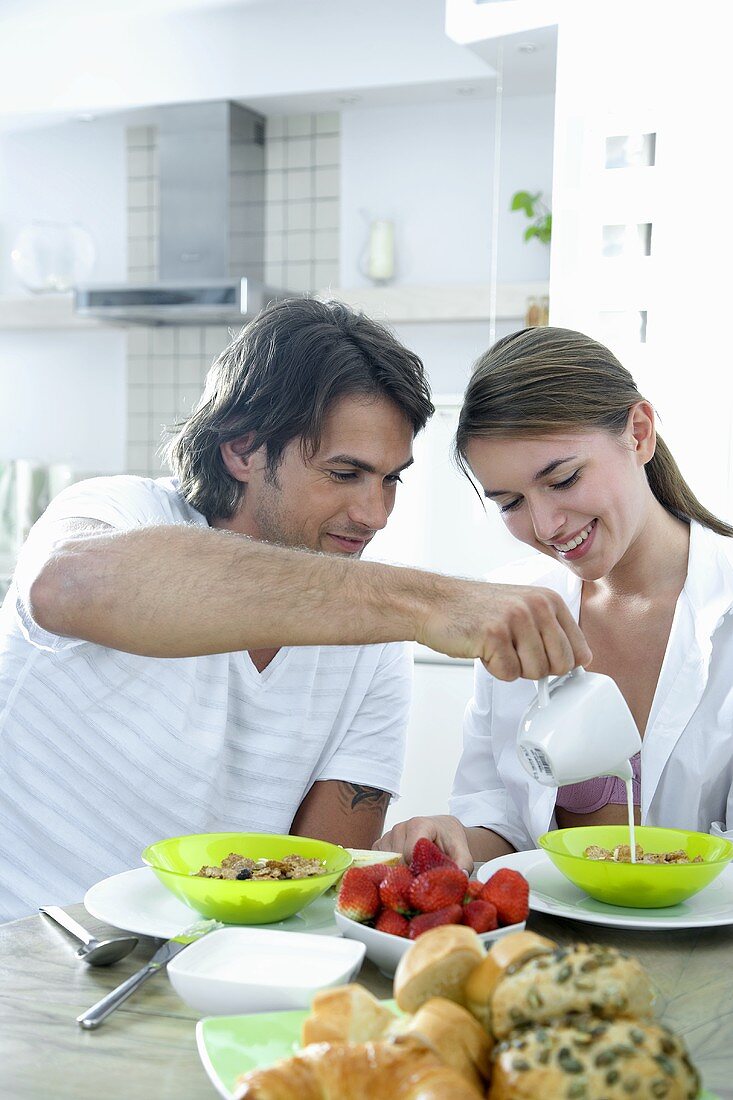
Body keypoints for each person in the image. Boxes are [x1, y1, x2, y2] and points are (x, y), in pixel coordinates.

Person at [0, 300, 589, 920]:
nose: (375, 514)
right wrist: (435, 599)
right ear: (242, 450)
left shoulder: (373, 636)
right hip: (27, 954)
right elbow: (65, 588)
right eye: (344, 474)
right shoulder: (119, 513)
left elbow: (316, 875)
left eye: (391, 479)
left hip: (201, 967)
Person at [377, 325, 733, 872]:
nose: (545, 525)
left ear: (638, 433)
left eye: (563, 480)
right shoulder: (517, 610)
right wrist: (455, 839)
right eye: (510, 502)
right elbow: (506, 825)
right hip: (546, 951)